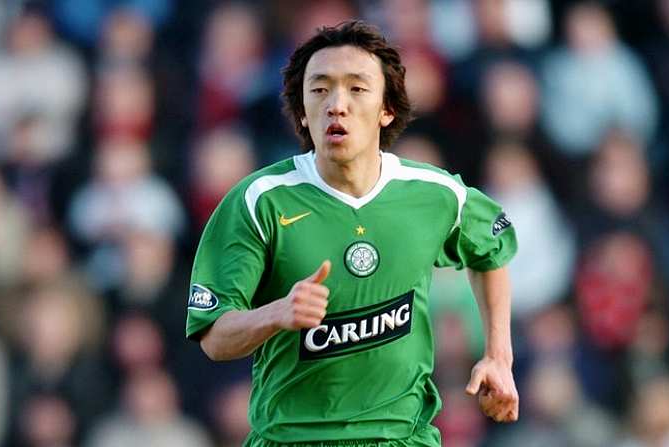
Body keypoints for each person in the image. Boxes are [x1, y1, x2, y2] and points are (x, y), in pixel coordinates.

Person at [186, 20, 519, 446]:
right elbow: (214, 337)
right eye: (320, 89)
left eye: (357, 89)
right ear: (303, 110)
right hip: (291, 439)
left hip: (401, 438)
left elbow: (490, 249)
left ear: (387, 108)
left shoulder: (436, 194)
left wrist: (498, 355)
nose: (336, 105)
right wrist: (276, 313)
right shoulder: (259, 201)